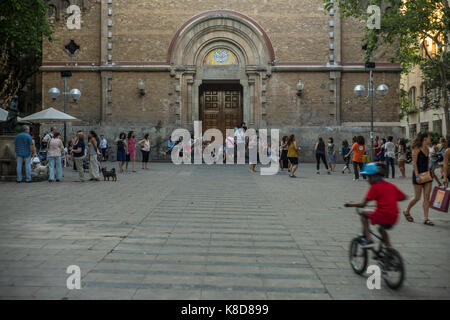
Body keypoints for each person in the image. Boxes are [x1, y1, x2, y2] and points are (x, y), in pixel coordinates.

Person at [345, 163, 406, 248]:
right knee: (381, 229)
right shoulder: (391, 186)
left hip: (382, 215)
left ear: (373, 177)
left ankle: (369, 239)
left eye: (368, 177)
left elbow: (363, 204)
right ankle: (389, 249)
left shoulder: (375, 187)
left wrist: (350, 204)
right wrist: (391, 199)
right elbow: (403, 197)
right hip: (394, 216)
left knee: (363, 214)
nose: (367, 180)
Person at [403, 132, 434, 226]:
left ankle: (426, 218)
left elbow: (427, 162)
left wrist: (429, 172)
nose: (430, 139)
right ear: (424, 139)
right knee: (417, 197)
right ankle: (406, 210)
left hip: (427, 174)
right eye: (429, 138)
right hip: (418, 174)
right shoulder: (416, 149)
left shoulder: (427, 149)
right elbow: (414, 163)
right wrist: (417, 176)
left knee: (427, 196)